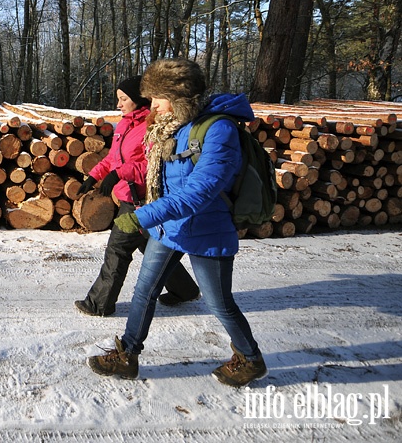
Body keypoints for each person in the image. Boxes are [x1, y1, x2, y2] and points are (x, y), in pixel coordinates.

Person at [86, 58, 267, 388]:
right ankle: (127, 354)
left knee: (219, 303)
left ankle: (250, 357)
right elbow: (160, 178)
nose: (151, 105)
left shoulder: (219, 130)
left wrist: (141, 216)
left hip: (206, 230)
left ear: (179, 96)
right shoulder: (174, 126)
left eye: (157, 97)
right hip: (169, 228)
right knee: (144, 291)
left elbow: (200, 192)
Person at [74, 75, 199, 317]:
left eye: (123, 99)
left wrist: (118, 173)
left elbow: (150, 165)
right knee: (148, 245)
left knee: (118, 250)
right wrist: (94, 175)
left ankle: (99, 303)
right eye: (118, 99)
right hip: (127, 195)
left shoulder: (151, 126)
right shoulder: (123, 124)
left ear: (138, 100)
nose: (119, 104)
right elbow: (114, 157)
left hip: (140, 200)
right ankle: (184, 290)